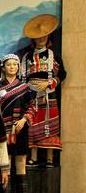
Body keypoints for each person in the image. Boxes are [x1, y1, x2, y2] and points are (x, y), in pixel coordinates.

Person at [20, 14, 66, 168]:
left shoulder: (54, 55)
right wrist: (29, 88)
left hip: (49, 95)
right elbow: (22, 77)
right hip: (32, 96)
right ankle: (33, 157)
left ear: (48, 36)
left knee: (49, 126)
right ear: (33, 39)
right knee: (33, 125)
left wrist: (49, 83)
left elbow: (62, 74)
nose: (41, 39)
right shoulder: (27, 57)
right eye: (38, 37)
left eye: (44, 36)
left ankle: (49, 158)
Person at [0, 54, 35, 193]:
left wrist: (24, 120)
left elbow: (32, 107)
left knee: (21, 162)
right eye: (9, 64)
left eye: (15, 64)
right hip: (3, 130)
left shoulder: (25, 87)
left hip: (20, 129)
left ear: (18, 67)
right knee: (6, 162)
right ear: (3, 67)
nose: (12, 67)